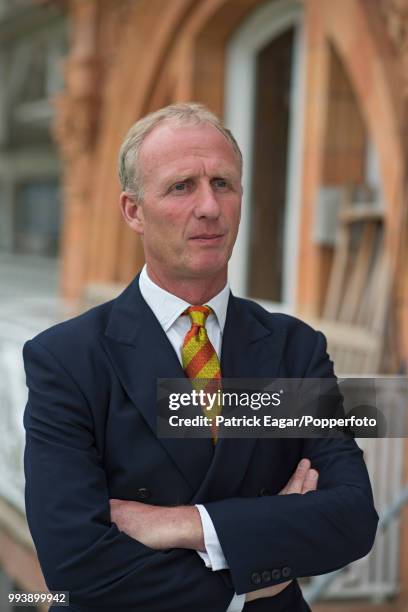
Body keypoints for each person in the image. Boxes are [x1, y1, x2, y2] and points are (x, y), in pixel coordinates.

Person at [23, 103, 378, 612]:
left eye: (223, 184)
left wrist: (181, 524)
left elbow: (351, 518)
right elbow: (73, 566)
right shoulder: (66, 360)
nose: (209, 206)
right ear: (133, 211)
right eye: (181, 186)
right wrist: (250, 574)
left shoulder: (295, 348)